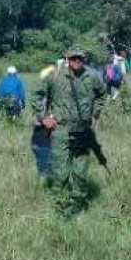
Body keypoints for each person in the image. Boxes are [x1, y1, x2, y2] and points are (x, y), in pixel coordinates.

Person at [32, 45, 106, 216]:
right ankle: (59, 205)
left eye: (80, 58)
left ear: (84, 59)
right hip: (60, 129)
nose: (76, 61)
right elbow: (36, 94)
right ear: (67, 59)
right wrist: (44, 118)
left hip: (82, 130)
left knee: (80, 171)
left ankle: (77, 206)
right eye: (73, 58)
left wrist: (95, 114)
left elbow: (102, 94)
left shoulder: (92, 76)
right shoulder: (56, 75)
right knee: (61, 172)